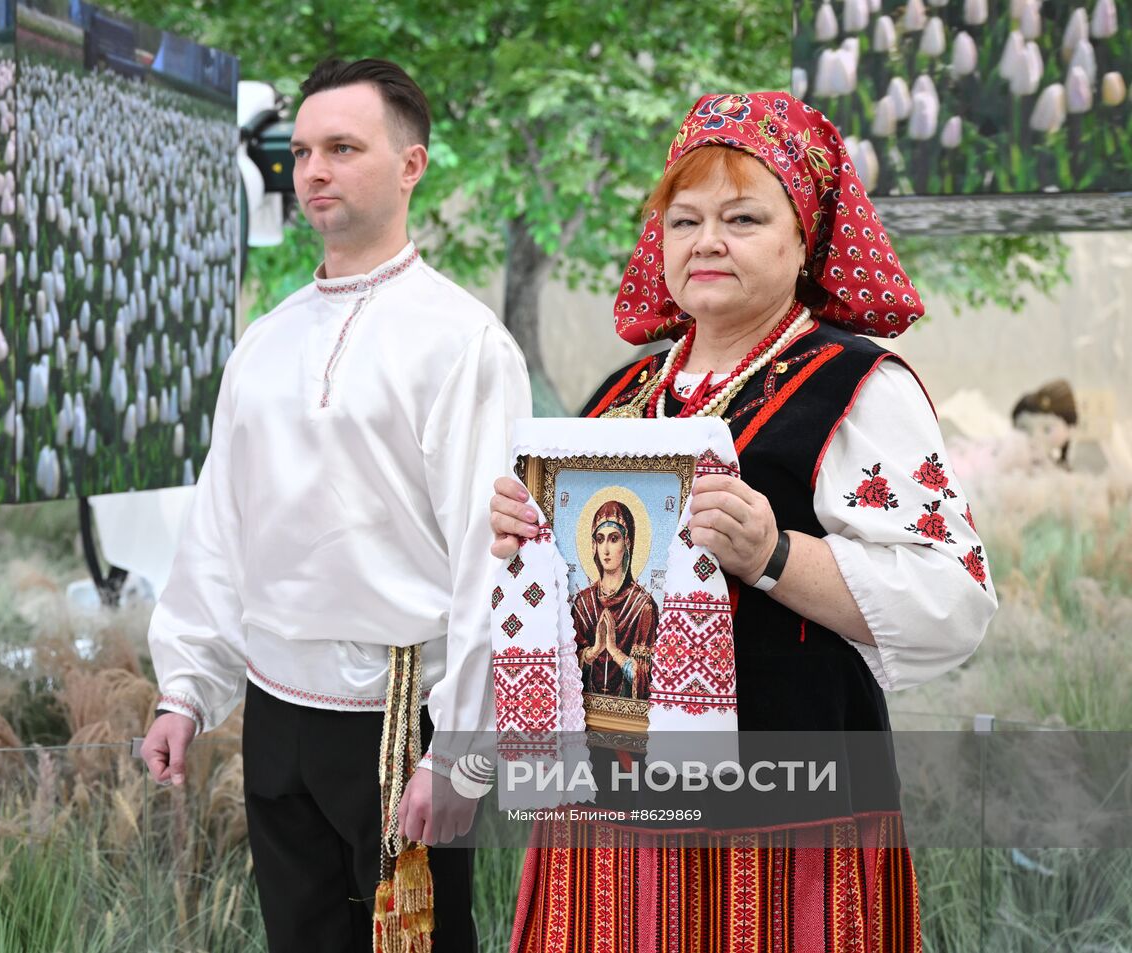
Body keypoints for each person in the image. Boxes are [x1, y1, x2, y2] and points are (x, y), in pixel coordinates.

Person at [488, 92, 997, 950]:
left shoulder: (857, 387)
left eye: (744, 216)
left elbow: (956, 602)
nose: (706, 241)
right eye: (683, 220)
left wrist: (773, 553)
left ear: (805, 239)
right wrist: (519, 547)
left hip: (783, 823)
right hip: (604, 821)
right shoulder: (617, 401)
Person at [141, 58, 531, 952]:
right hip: (276, 710)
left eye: (343, 148)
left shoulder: (465, 343)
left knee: (417, 945)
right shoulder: (265, 342)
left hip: (401, 713)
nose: (313, 169)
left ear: (411, 165)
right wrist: (186, 690)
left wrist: (460, 747)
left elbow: (493, 561)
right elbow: (220, 528)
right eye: (304, 150)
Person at [572, 499, 659, 698]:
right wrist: (592, 652)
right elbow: (564, 664)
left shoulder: (643, 607)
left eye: (614, 538)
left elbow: (647, 678)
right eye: (600, 539)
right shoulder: (583, 604)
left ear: (627, 542)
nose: (606, 550)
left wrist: (613, 650)